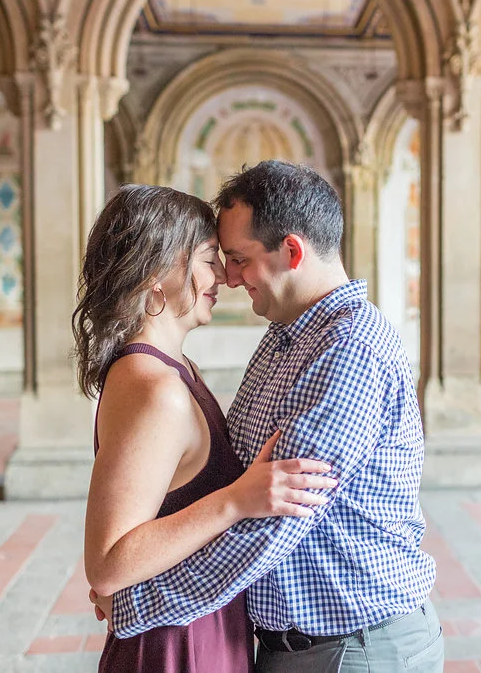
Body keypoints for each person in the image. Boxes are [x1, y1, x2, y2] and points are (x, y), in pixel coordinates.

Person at [95, 161, 443, 672]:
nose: (229, 278)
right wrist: (128, 564)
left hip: (353, 648)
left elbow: (273, 521)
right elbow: (237, 477)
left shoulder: (351, 349)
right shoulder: (282, 339)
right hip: (295, 645)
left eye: (237, 259)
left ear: (292, 251)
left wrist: (134, 598)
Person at [75, 184, 338, 672]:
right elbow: (108, 562)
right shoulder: (156, 389)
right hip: (177, 643)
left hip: (201, 620)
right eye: (206, 259)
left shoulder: (177, 370)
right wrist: (237, 499)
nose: (223, 276)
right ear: (156, 274)